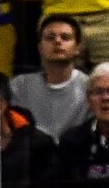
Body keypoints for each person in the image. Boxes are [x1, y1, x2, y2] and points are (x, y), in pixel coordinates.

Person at [10, 14, 93, 143]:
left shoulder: (91, 87)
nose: (57, 41)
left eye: (65, 37)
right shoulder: (19, 86)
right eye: (50, 38)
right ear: (40, 48)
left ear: (78, 48)